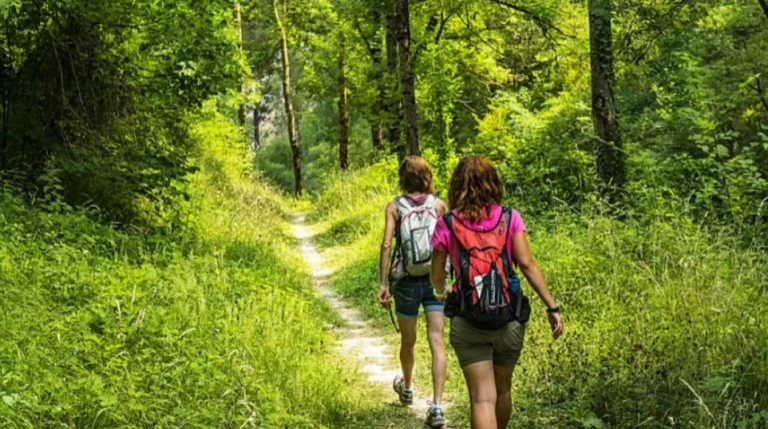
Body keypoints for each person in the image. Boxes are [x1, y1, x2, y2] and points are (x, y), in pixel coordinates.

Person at [429, 155, 564, 429]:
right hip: (509, 318)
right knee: (502, 391)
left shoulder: (447, 223)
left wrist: (441, 294)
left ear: (457, 185)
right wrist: (552, 306)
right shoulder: (510, 217)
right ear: (493, 183)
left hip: (468, 319)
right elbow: (526, 264)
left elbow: (436, 274)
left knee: (481, 399)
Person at [377, 156, 449, 428]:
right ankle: (438, 406)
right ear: (427, 176)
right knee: (437, 341)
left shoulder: (395, 206)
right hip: (435, 281)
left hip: (406, 281)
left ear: (403, 178)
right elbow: (448, 242)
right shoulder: (439, 205)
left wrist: (383, 284)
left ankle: (407, 387)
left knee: (408, 340)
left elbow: (386, 245)